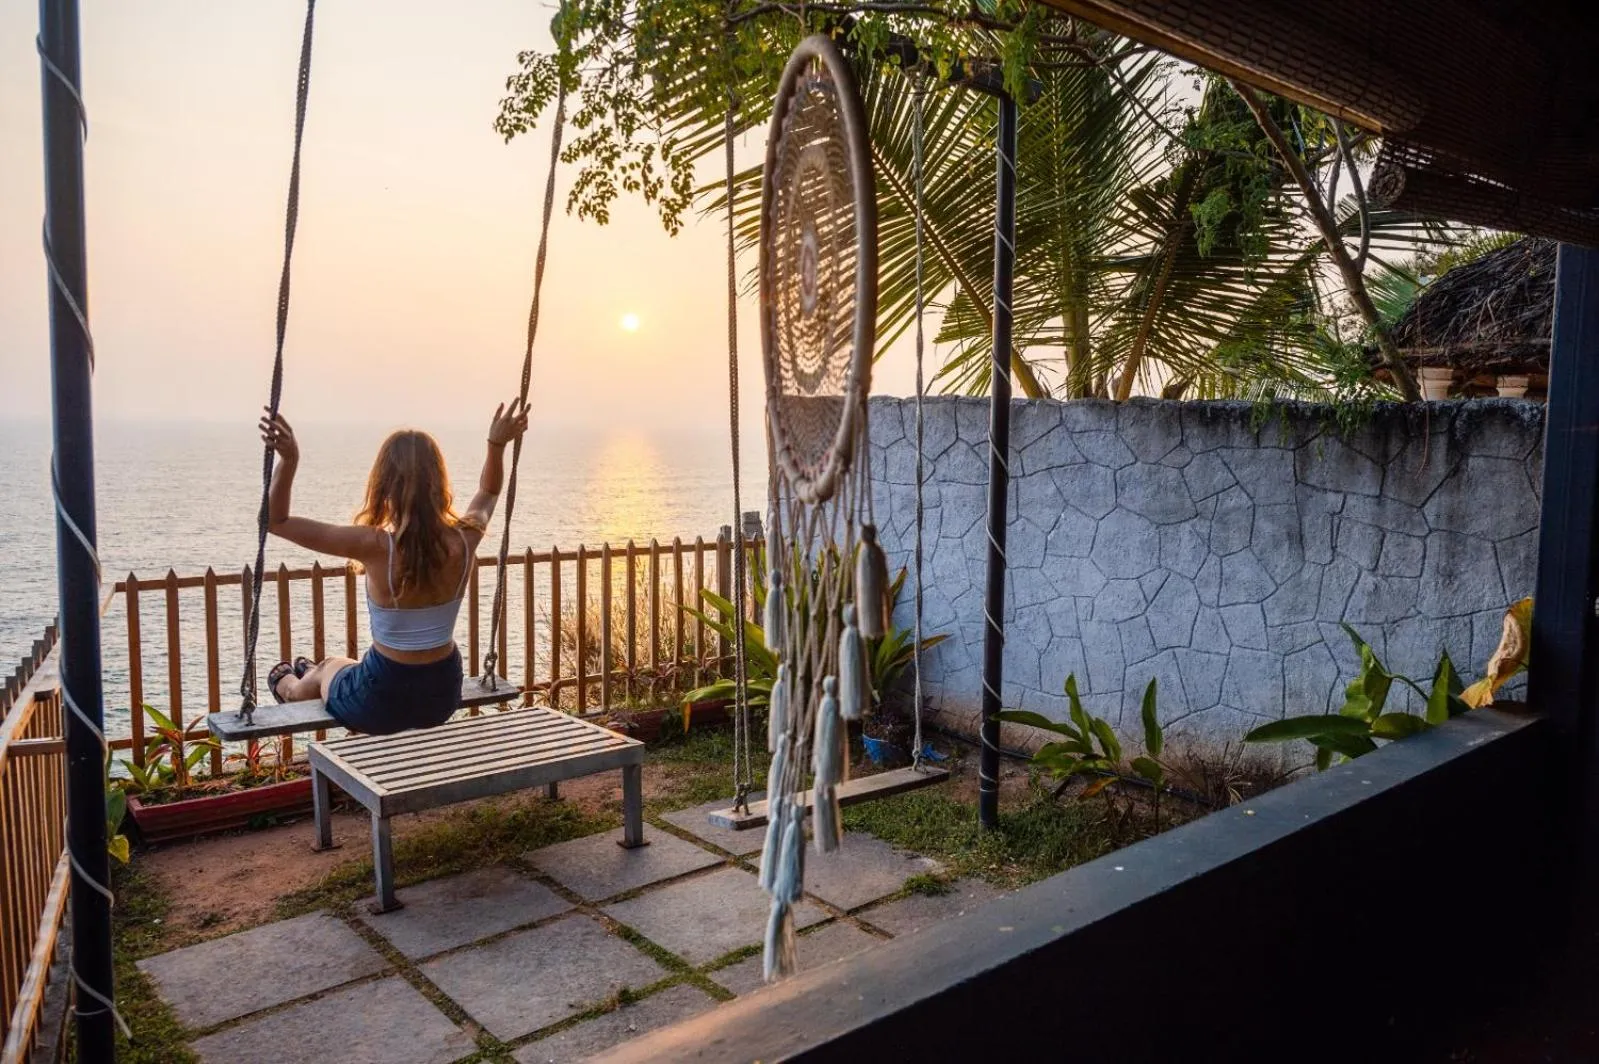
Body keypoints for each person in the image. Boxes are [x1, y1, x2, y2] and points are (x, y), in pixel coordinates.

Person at [257, 399, 530, 734]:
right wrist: (496, 445)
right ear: (439, 481)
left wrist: (290, 459)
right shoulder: (465, 538)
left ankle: (288, 687)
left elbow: (275, 521)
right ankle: (310, 671)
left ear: (383, 484)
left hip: (382, 697)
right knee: (342, 667)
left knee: (331, 666)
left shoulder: (373, 545)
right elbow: (489, 491)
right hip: (441, 695)